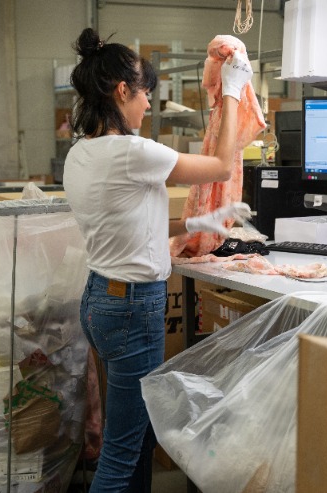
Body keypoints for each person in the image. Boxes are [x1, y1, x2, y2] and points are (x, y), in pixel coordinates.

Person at [63, 27, 253, 492]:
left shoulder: (80, 152)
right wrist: (231, 92)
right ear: (122, 90)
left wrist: (195, 226)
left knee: (137, 435)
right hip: (131, 308)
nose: (149, 104)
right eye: (146, 93)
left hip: (100, 299)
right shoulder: (131, 151)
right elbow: (221, 166)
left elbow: (127, 225)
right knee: (122, 451)